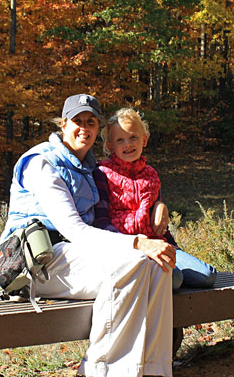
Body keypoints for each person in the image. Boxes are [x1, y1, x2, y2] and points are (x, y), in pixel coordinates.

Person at [0, 94, 181, 377]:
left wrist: (158, 208)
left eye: (91, 122)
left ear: (97, 129)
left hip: (71, 257)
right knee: (133, 261)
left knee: (156, 264)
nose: (84, 128)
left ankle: (151, 374)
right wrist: (138, 242)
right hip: (32, 263)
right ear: (63, 123)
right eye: (77, 121)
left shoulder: (88, 166)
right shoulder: (42, 162)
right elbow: (73, 230)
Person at [93, 108, 217, 290]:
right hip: (129, 248)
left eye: (133, 137)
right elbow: (101, 221)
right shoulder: (102, 174)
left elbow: (156, 218)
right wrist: (135, 244)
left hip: (159, 242)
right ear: (111, 146)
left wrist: (160, 206)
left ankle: (162, 278)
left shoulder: (151, 175)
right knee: (174, 278)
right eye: (120, 140)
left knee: (207, 276)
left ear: (144, 140)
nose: (128, 144)